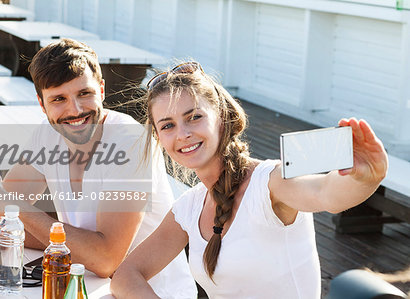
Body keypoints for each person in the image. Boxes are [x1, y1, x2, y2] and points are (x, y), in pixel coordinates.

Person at [110, 61, 389, 298]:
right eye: (168, 125)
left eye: (194, 117)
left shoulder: (269, 183)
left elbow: (325, 193)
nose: (182, 133)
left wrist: (365, 178)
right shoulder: (188, 207)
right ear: (160, 139)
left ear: (221, 118)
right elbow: (125, 276)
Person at [0, 39, 197, 298]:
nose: (74, 110)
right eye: (58, 99)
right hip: (82, 286)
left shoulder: (128, 140)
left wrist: (15, 208)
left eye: (84, 94)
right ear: (42, 105)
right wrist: (6, 209)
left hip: (150, 292)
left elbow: (105, 259)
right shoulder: (47, 134)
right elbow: (2, 223)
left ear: (101, 90)